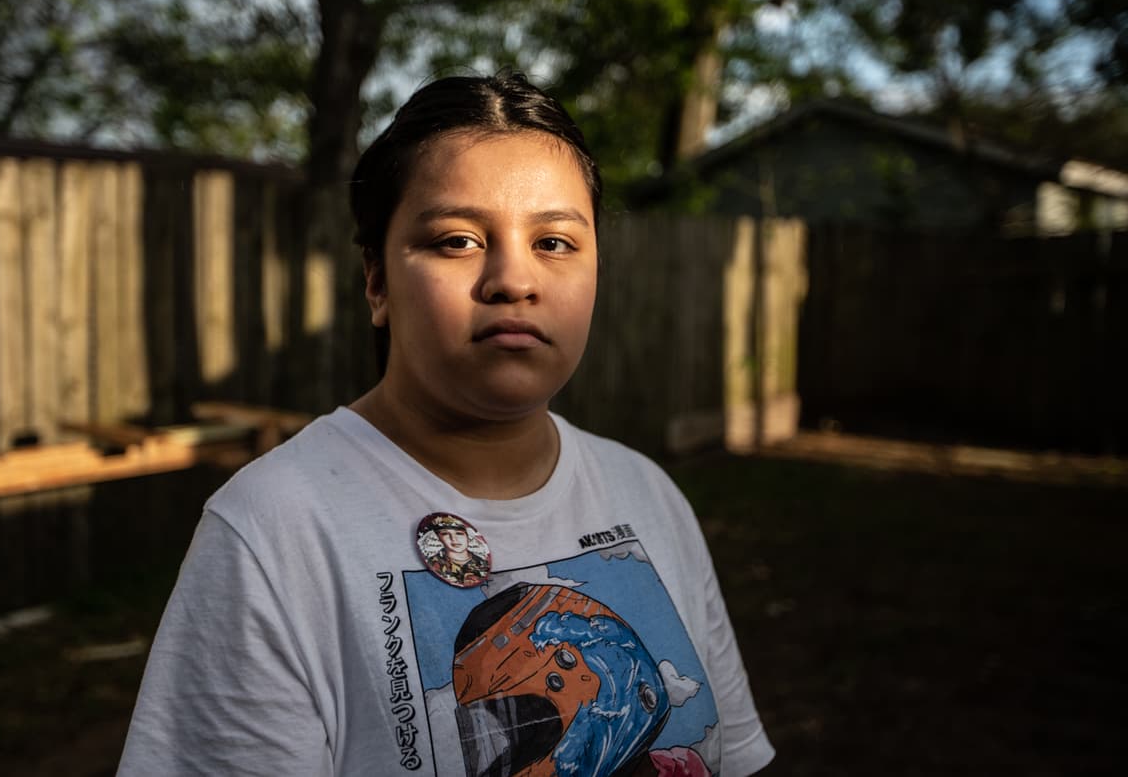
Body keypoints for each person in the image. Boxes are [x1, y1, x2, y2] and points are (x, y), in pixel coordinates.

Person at [117, 72, 774, 777]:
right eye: (458, 239)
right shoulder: (275, 532)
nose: (513, 279)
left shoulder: (648, 495)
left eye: (555, 242)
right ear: (376, 280)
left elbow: (734, 756)